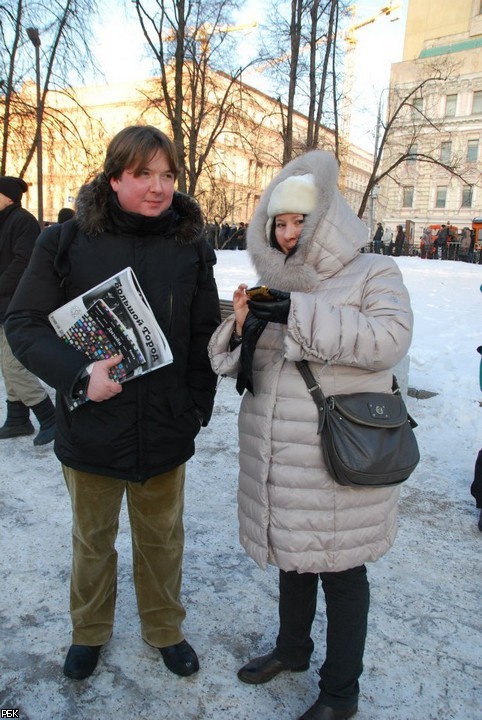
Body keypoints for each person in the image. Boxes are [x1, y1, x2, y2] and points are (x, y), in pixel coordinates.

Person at [5, 125, 221, 681]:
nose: (158, 187)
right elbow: (23, 323)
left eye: (167, 174)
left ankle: (164, 628)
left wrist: (197, 406)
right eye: (143, 174)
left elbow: (202, 333)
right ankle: (90, 632)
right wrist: (79, 376)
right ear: (114, 178)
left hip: (167, 426)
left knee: (162, 540)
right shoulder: (66, 241)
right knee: (93, 542)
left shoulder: (191, 243)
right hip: (92, 424)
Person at [208, 150, 413, 720]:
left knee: (342, 573)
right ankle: (292, 649)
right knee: (293, 559)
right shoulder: (274, 280)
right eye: (281, 221)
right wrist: (244, 327)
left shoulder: (374, 271)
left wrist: (297, 313)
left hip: (337, 452)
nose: (290, 232)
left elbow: (389, 340)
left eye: (301, 220)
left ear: (327, 217)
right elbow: (240, 368)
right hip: (281, 454)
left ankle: (340, 694)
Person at [0, 175, 56, 445]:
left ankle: (49, 416)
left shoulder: (21, 220)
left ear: (8, 196)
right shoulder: (5, 220)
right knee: (7, 364)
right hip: (5, 306)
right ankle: (17, 419)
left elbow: (23, 262)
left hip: (19, 306)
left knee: (14, 365)